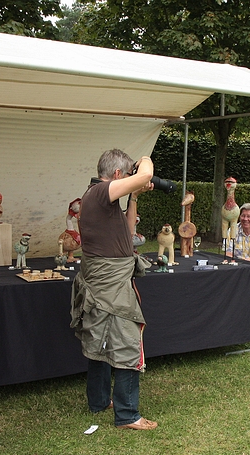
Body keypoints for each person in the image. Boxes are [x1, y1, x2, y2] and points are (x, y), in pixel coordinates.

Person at [70, 148, 158, 430]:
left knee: (101, 340)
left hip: (108, 282)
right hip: (109, 284)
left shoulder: (105, 201)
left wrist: (133, 197)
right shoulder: (99, 193)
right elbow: (146, 172)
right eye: (128, 176)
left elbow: (129, 233)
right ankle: (128, 414)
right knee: (127, 343)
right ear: (118, 175)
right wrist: (144, 161)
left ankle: (98, 401)